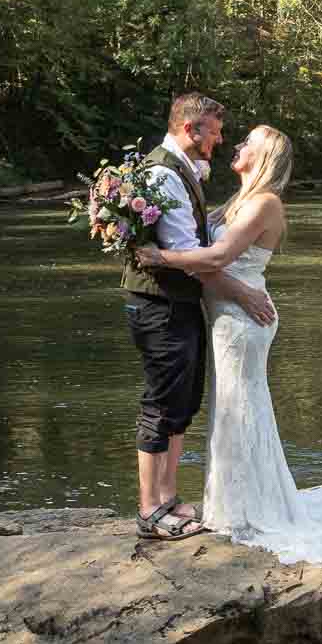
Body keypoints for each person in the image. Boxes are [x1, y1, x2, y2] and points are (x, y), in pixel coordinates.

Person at [137, 125, 322, 561]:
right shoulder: (238, 201)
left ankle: (244, 510)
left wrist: (160, 258)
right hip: (230, 311)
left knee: (240, 407)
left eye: (247, 143)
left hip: (242, 320)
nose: (237, 146)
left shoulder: (264, 203)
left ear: (265, 155)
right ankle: (231, 503)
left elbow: (214, 258)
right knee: (229, 406)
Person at [123, 93, 274, 539]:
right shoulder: (163, 175)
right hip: (160, 304)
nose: (221, 139)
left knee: (182, 402)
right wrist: (243, 293)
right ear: (191, 130)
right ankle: (150, 511)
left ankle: (166, 498)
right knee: (161, 403)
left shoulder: (184, 170)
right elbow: (195, 258)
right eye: (214, 130)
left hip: (179, 303)